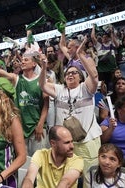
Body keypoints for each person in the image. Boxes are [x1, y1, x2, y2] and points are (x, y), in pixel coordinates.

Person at [39, 36, 102, 175]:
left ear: (80, 77)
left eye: (74, 73)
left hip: (87, 141)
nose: (70, 75)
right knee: (66, 177)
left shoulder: (85, 88)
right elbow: (42, 85)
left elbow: (94, 77)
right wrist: (43, 67)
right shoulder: (59, 89)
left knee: (89, 177)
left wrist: (80, 55)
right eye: (68, 73)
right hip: (65, 144)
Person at [0, 30, 49, 156]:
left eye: (26, 60)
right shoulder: (16, 78)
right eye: (22, 60)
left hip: (37, 128)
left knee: (38, 164)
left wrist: (40, 124)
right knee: (23, 165)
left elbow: (46, 104)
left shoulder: (42, 79)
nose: (22, 61)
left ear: (34, 63)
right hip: (21, 129)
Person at [100, 96, 125, 166]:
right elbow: (102, 140)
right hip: (115, 158)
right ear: (119, 110)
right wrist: (111, 128)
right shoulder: (109, 121)